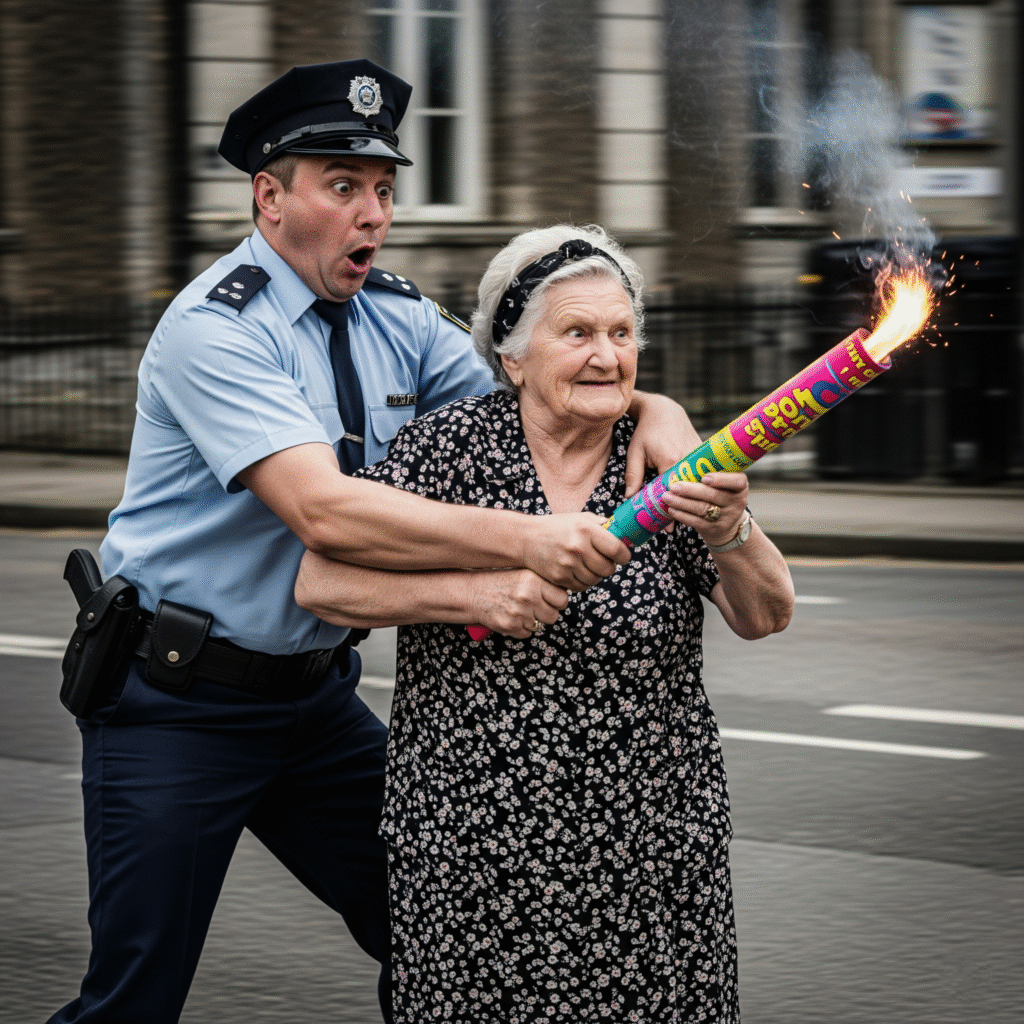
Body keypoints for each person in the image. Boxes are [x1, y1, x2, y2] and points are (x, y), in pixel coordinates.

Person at [49, 63, 705, 1024]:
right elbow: (325, 514)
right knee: (136, 995)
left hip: (315, 704)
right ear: (271, 198)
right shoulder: (216, 330)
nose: (374, 215)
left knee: (431, 925)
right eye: (343, 186)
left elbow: (537, 379)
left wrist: (655, 403)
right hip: (176, 703)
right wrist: (526, 543)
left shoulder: (396, 316)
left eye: (385, 190)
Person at [296, 224, 796, 1023]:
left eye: (622, 332)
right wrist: (475, 596)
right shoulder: (447, 451)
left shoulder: (668, 456)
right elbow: (321, 581)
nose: (608, 355)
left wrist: (729, 526)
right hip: (471, 846)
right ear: (512, 357)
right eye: (578, 333)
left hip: (650, 847)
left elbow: (765, 613)